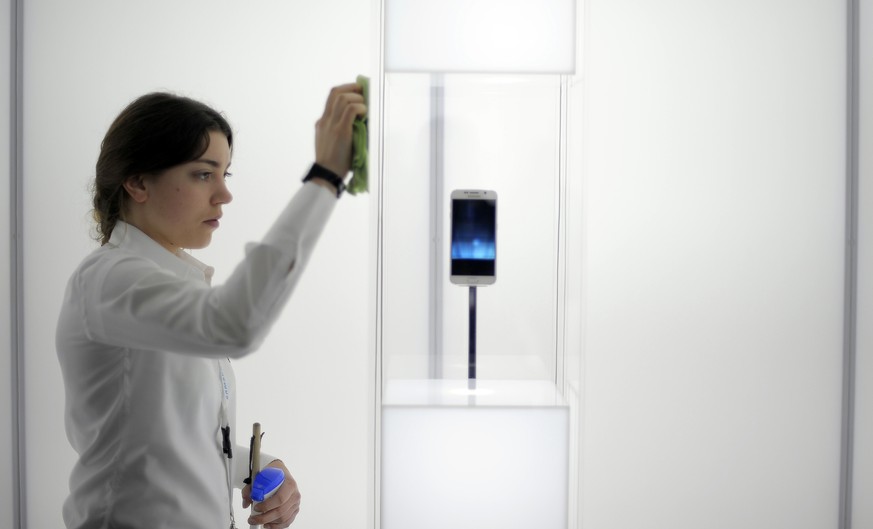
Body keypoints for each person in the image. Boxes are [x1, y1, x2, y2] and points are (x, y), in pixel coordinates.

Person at [55, 83, 366, 529]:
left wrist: (260, 466)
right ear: (138, 181)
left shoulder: (173, 285)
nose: (224, 194)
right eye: (204, 174)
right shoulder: (107, 280)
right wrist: (326, 176)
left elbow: (166, 449)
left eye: (226, 175)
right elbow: (234, 326)